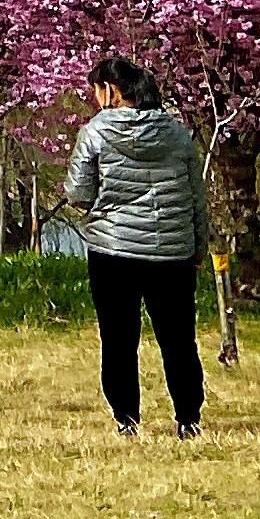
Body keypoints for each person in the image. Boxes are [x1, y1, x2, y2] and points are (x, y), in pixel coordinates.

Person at [60, 54, 210, 438]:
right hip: (172, 251)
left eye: (94, 90)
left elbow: (78, 191)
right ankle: (188, 418)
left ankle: (126, 418)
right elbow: (196, 195)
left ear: (109, 91)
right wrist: (197, 246)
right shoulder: (177, 132)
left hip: (114, 250)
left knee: (118, 338)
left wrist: (100, 209)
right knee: (178, 339)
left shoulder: (95, 132)